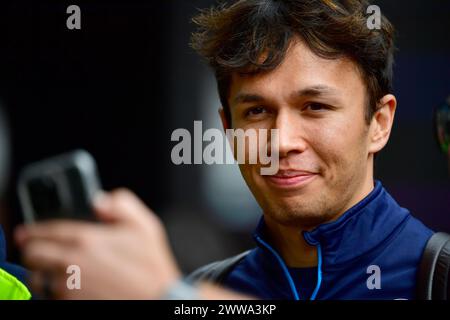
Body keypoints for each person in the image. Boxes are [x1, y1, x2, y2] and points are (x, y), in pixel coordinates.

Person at [15, 0, 435, 299]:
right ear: (227, 128)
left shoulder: (437, 274)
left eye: (315, 107)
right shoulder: (206, 284)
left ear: (379, 123)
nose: (281, 142)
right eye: (256, 112)